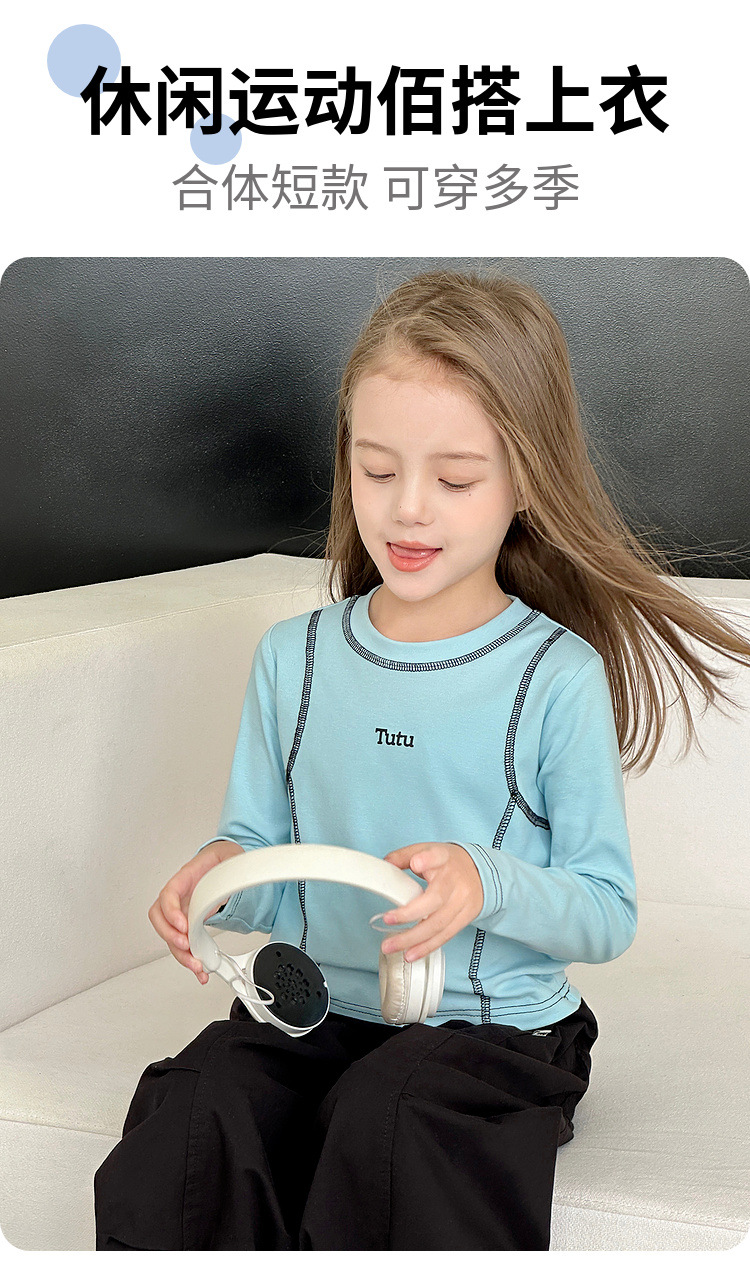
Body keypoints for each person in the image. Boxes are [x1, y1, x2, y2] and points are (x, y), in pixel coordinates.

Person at [94, 269, 750, 1251]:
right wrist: (218, 877)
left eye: (454, 480)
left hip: (497, 1035)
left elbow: (605, 911)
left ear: (525, 481)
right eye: (377, 470)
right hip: (315, 1016)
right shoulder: (292, 659)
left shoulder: (553, 677)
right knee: (192, 1106)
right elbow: (258, 850)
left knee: (391, 1115)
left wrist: (486, 882)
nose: (408, 511)